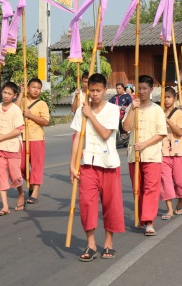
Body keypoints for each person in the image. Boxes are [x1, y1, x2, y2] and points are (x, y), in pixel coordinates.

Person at [69, 73, 124, 261]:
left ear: (105, 90)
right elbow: (77, 138)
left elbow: (105, 134)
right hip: (87, 164)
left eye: (98, 90)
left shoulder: (113, 109)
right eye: (91, 90)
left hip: (108, 163)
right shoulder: (81, 111)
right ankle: (91, 244)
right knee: (86, 204)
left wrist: (90, 115)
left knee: (111, 204)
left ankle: (108, 242)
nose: (94, 94)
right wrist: (72, 164)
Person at [122, 75, 167, 236]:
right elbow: (126, 128)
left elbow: (161, 133)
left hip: (152, 155)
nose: (141, 92)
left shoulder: (157, 109)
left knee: (151, 188)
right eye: (139, 88)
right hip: (134, 155)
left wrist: (144, 144)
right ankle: (141, 216)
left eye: (145, 89)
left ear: (151, 89)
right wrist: (132, 109)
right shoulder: (132, 106)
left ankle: (149, 221)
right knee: (137, 188)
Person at [0, 82, 25, 215]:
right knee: (1, 176)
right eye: (4, 92)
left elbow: (18, 131)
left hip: (12, 146)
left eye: (9, 94)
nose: (6, 95)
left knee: (15, 176)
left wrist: (0, 138)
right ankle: (5, 207)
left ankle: (20, 193)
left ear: (14, 96)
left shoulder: (16, 109)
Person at [18, 78, 50, 205]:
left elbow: (46, 121)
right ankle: (31, 184)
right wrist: (21, 93)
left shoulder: (42, 104)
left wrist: (31, 115)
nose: (36, 90)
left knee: (37, 166)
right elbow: (14, 110)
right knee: (20, 166)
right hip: (22, 138)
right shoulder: (23, 101)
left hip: (37, 138)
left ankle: (35, 192)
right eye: (33, 87)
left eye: (38, 88)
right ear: (28, 88)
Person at [161, 87, 182, 219]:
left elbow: (179, 132)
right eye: (164, 97)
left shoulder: (180, 114)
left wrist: (167, 120)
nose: (166, 100)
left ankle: (181, 199)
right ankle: (169, 209)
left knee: (180, 180)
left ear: (174, 98)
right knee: (165, 181)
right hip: (163, 152)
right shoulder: (159, 113)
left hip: (178, 152)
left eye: (168, 97)